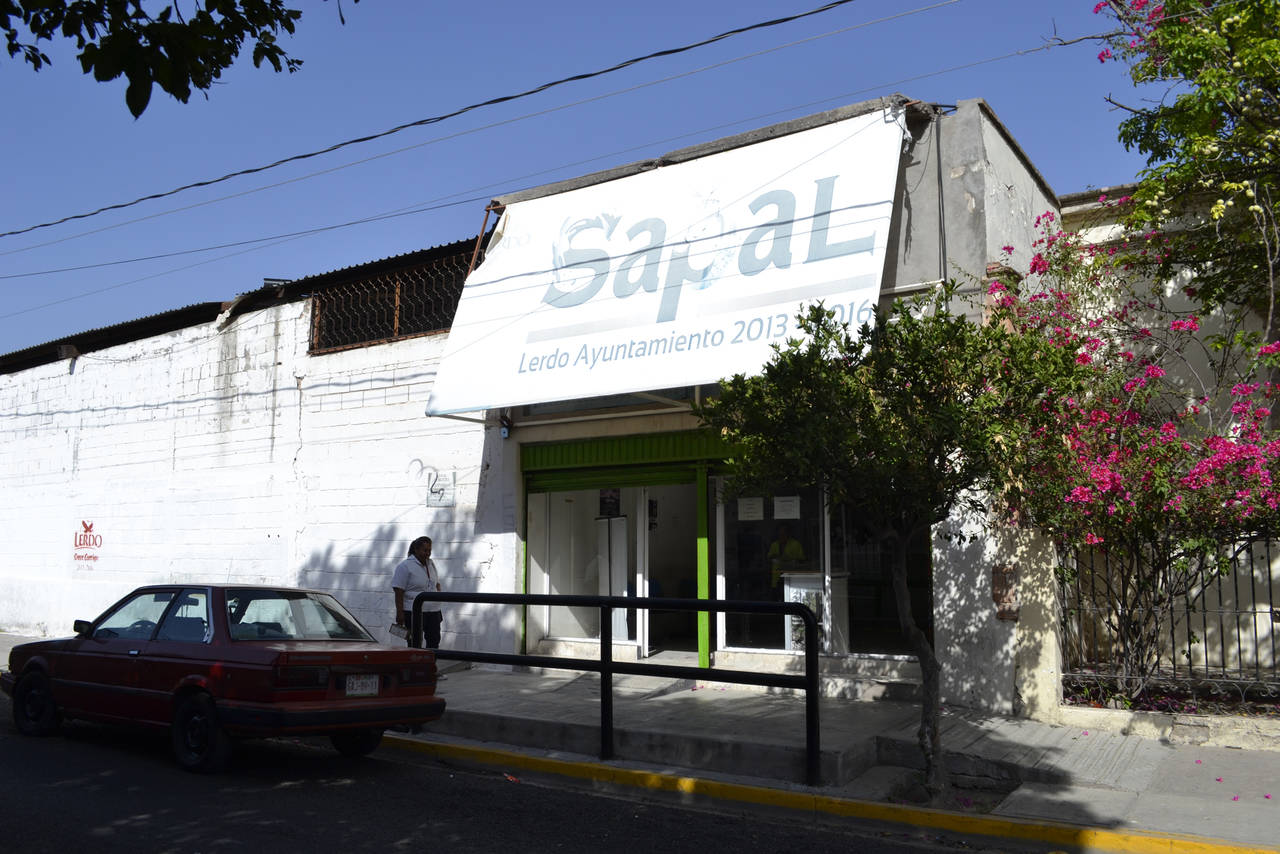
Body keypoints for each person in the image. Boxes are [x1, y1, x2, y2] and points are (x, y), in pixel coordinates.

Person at [392, 535, 443, 649]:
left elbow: (436, 583)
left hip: (433, 610)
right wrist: (400, 613)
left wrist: (438, 593)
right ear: (416, 549)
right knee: (414, 642)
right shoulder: (405, 566)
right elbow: (398, 590)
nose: (428, 553)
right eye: (425, 550)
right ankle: (415, 660)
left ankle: (431, 660)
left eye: (429, 550)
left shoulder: (431, 564)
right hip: (413, 611)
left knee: (434, 641)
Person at [768, 523, 805, 587]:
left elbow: (802, 560)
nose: (781, 535)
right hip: (776, 577)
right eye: (780, 533)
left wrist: (791, 560)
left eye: (784, 533)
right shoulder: (774, 545)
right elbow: (769, 558)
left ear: (788, 533)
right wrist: (775, 558)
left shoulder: (795, 544)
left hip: (791, 578)